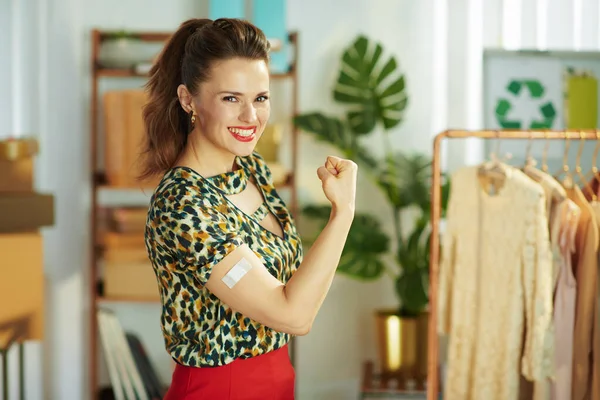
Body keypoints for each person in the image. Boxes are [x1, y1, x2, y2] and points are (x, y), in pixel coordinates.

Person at [140, 17, 357, 399]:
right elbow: (293, 315)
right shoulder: (183, 202)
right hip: (219, 390)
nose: (251, 118)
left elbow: (290, 294)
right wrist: (343, 214)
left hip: (276, 379)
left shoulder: (251, 168)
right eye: (230, 99)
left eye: (260, 98)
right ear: (189, 99)